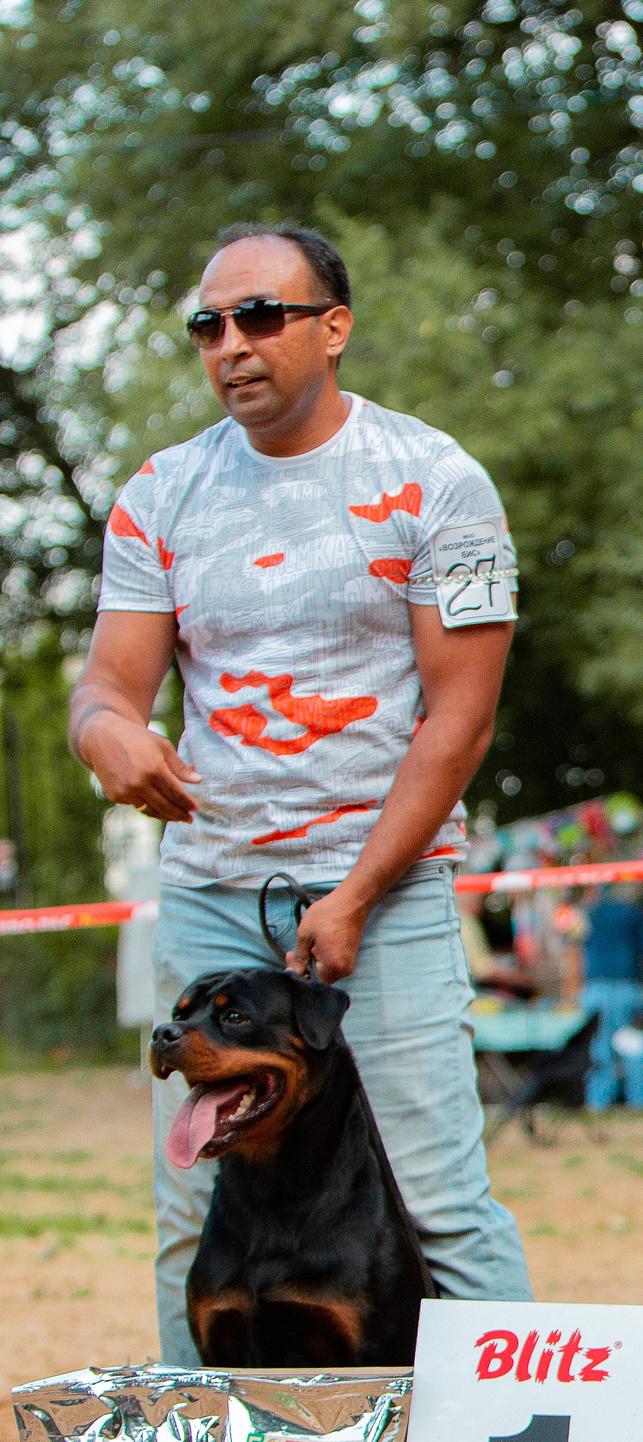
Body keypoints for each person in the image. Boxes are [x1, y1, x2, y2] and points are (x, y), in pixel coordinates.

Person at [70, 221, 533, 1363]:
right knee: (194, 1216)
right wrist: (107, 737)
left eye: (262, 316)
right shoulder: (159, 493)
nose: (232, 343)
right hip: (213, 897)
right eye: (209, 324)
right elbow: (106, 687)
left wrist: (360, 893)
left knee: (440, 1204)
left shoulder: (440, 481)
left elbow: (460, 715)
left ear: (334, 329)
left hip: (390, 891)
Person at [573, 888, 643, 1109]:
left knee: (598, 1046)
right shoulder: (635, 912)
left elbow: (578, 947)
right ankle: (638, 1101)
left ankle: (597, 1102)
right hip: (626, 985)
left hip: (594, 986)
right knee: (632, 1044)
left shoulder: (591, 912)